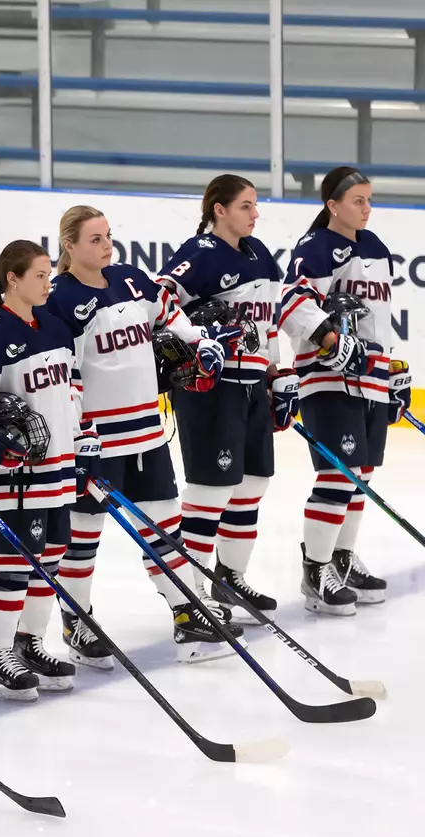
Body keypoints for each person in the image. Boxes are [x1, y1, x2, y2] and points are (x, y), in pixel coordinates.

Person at [46, 205, 245, 665]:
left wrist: (201, 342)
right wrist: (77, 435)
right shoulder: (59, 299)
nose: (106, 245)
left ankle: (186, 614)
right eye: (95, 239)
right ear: (69, 246)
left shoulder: (131, 280)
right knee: (82, 537)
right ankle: (77, 621)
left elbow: (170, 315)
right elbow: (63, 374)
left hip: (148, 434)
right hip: (97, 440)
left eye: (108, 235)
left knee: (165, 527)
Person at [0, 241, 91, 700]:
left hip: (57, 466)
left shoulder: (56, 327)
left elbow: (71, 389)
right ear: (12, 278)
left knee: (51, 557)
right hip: (14, 474)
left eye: (49, 275)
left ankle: (28, 644)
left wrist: (81, 438)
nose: (48, 284)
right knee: (14, 565)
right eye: (39, 275)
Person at [157, 174, 295, 622]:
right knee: (210, 490)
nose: (255, 214)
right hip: (210, 387)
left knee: (253, 483)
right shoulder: (200, 253)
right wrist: (196, 337)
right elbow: (160, 301)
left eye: (255, 205)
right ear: (219, 210)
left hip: (252, 385)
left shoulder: (261, 257)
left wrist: (276, 374)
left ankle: (229, 578)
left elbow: (268, 324)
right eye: (245, 206)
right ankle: (194, 589)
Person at [277, 166, 405, 615]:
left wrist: (393, 369)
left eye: (369, 200)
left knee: (361, 474)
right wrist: (329, 338)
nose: (366, 209)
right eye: (357, 201)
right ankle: (316, 570)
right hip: (329, 378)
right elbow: (292, 303)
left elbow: (378, 321)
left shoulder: (376, 248)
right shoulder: (316, 247)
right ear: (332, 205)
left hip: (370, 378)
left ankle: (342, 560)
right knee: (339, 473)